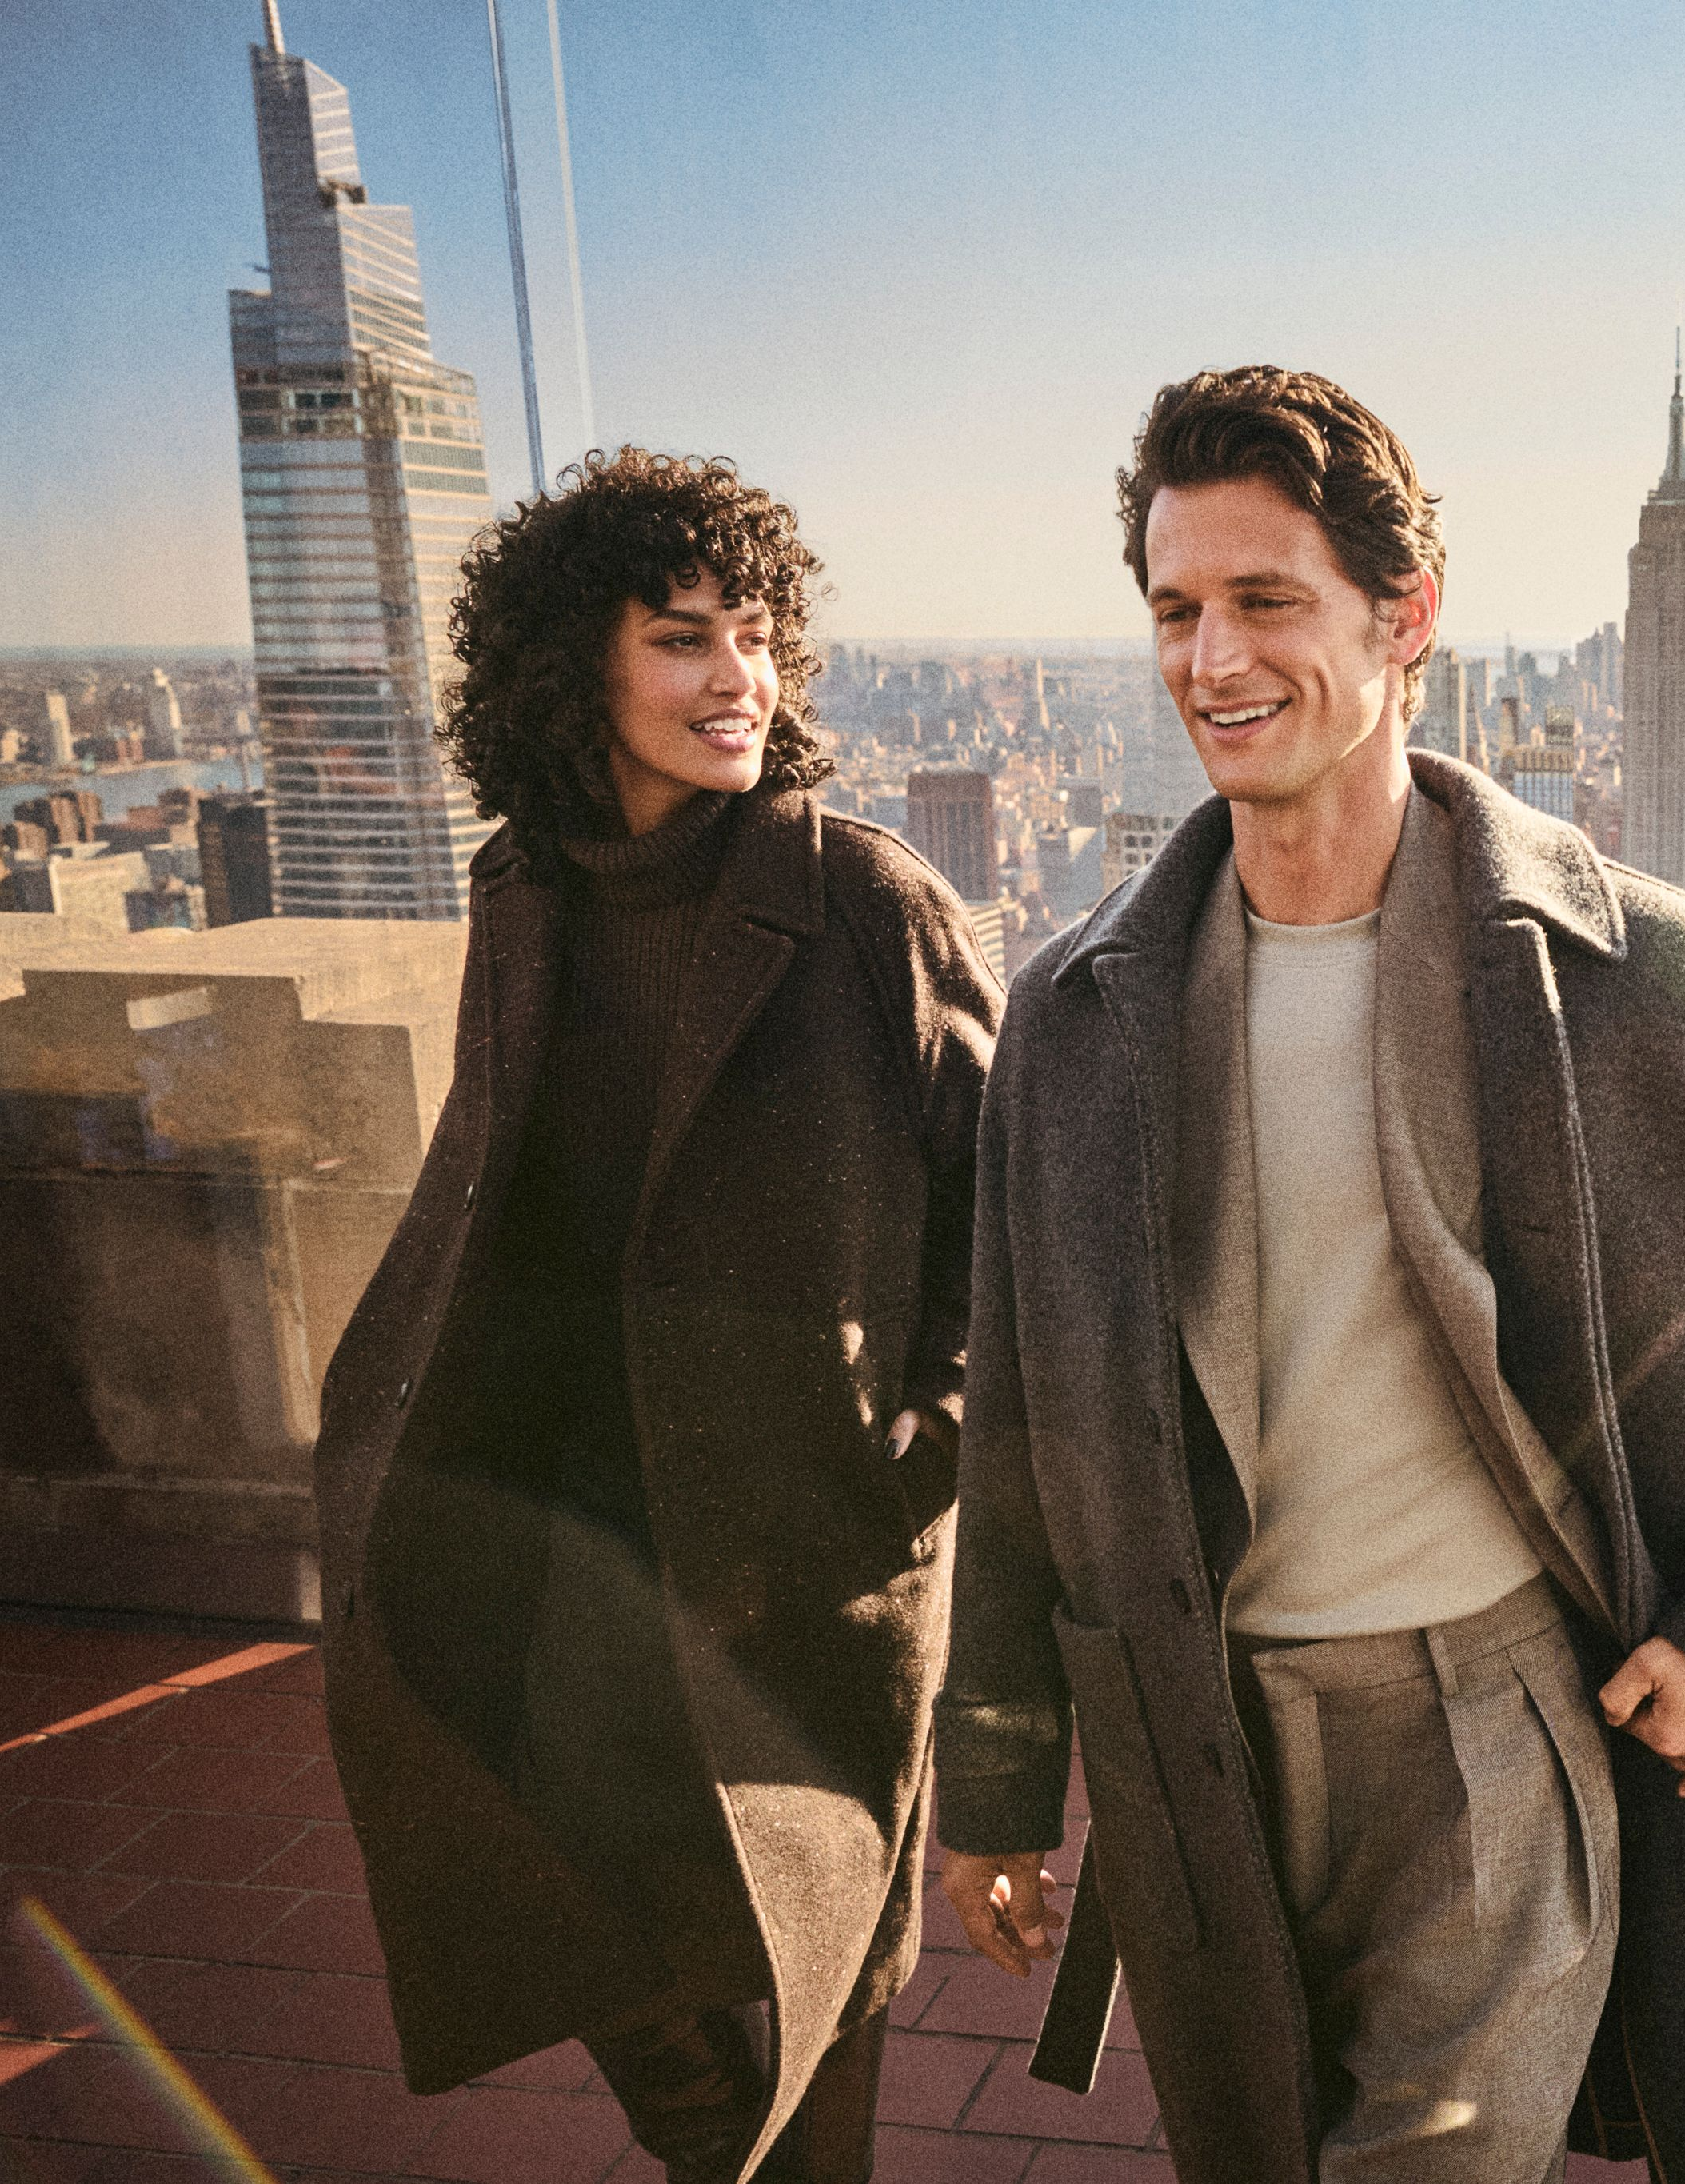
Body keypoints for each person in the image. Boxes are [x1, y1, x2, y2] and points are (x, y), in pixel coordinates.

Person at [929, 367, 1685, 2182]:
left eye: (1263, 601)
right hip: (1197, 1750)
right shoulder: (1074, 1024)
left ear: (1407, 622)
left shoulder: (1644, 973)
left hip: (1495, 1731)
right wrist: (999, 1770)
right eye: (1173, 608)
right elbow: (1024, 1429)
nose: (1207, 659)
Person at [312, 449, 1000, 2182]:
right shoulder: (522, 886)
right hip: (562, 1513)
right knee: (549, 1855)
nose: (737, 681)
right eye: (684, 641)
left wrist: (927, 1439)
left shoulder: (862, 902)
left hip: (798, 1525)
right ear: (575, 673)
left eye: (755, 639)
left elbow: (1010, 1209)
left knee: (814, 1959)